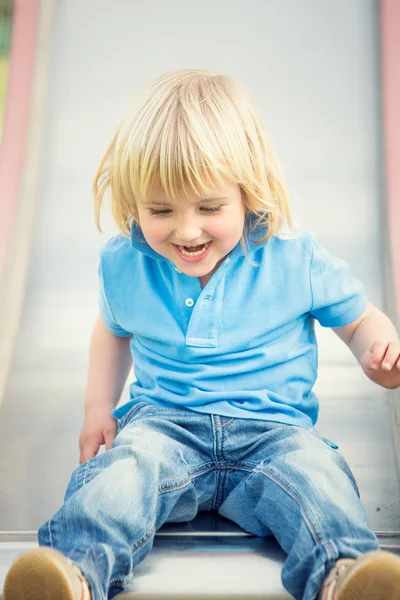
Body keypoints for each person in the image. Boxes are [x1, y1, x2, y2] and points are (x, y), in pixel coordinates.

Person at [4, 69, 400, 600]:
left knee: (316, 477)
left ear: (248, 192)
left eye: (210, 208)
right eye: (160, 210)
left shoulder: (292, 256)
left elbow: (357, 319)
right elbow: (111, 330)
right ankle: (71, 572)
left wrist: (379, 349)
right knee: (123, 474)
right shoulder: (125, 264)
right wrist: (98, 408)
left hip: (274, 431)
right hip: (164, 427)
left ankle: (346, 573)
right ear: (133, 202)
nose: (186, 231)